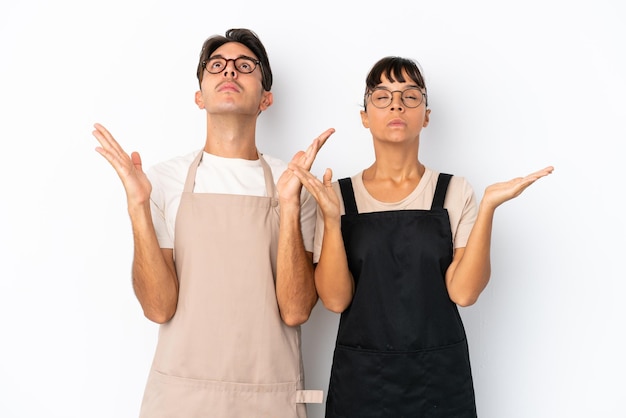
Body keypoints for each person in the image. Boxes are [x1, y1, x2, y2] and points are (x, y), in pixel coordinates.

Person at [289, 56, 554, 417]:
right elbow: (336, 300)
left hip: (439, 378)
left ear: (426, 115)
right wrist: (332, 221)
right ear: (364, 116)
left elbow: (464, 292)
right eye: (381, 96)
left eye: (410, 96)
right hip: (362, 380)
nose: (396, 103)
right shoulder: (335, 195)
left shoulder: (454, 191)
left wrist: (489, 206)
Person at [92, 28, 334, 418]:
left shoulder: (292, 182)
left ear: (266, 98)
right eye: (217, 65)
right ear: (199, 96)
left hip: (269, 397)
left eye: (245, 66)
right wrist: (138, 205)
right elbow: (158, 307)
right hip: (180, 397)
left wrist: (289, 205)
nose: (230, 72)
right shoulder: (164, 180)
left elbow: (296, 311)